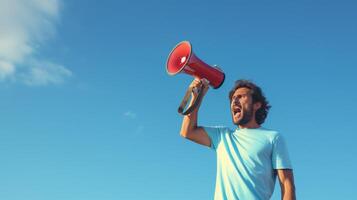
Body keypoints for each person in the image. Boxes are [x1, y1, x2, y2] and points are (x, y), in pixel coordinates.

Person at [180, 78, 296, 200]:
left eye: (240, 97)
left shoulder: (273, 138)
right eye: (232, 98)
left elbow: (287, 185)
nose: (234, 101)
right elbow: (187, 131)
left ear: (257, 105)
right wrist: (197, 97)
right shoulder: (222, 136)